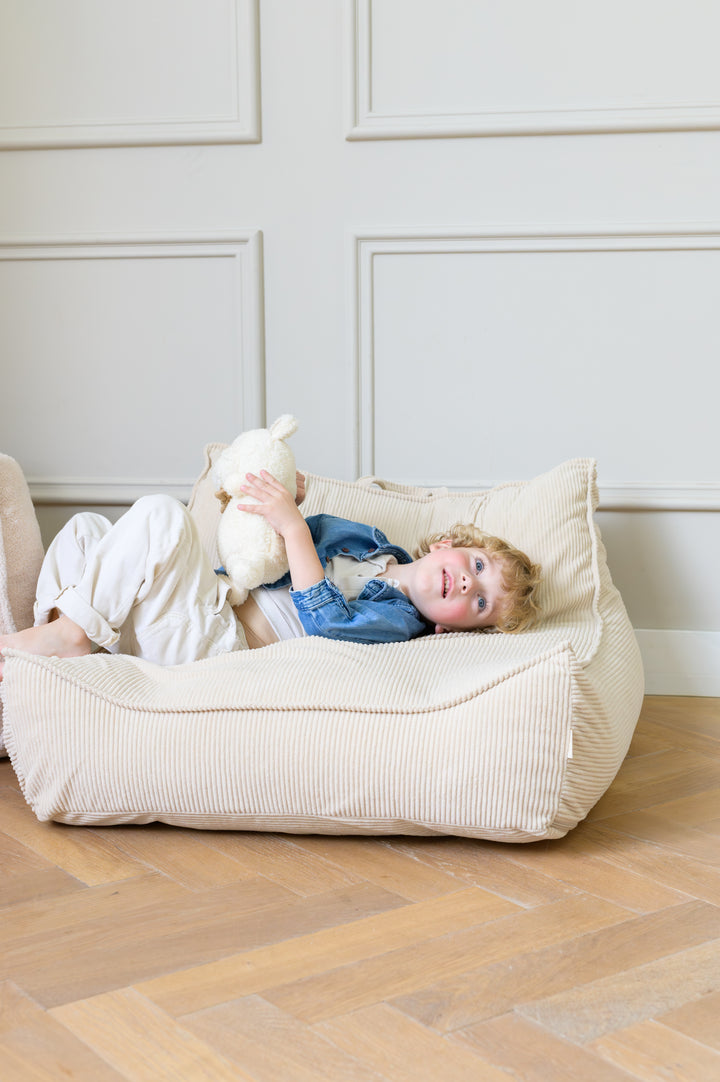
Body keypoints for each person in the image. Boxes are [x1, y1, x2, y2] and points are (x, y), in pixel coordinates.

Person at [0, 469, 540, 671]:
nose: (470, 584)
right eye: (476, 565)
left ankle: (69, 637)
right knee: (86, 529)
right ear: (447, 543)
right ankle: (55, 657)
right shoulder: (372, 544)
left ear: (450, 628)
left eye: (481, 603)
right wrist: (289, 502)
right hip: (202, 599)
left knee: (162, 515)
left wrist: (295, 529)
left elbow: (326, 621)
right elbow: (270, 550)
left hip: (215, 638)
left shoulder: (401, 624)